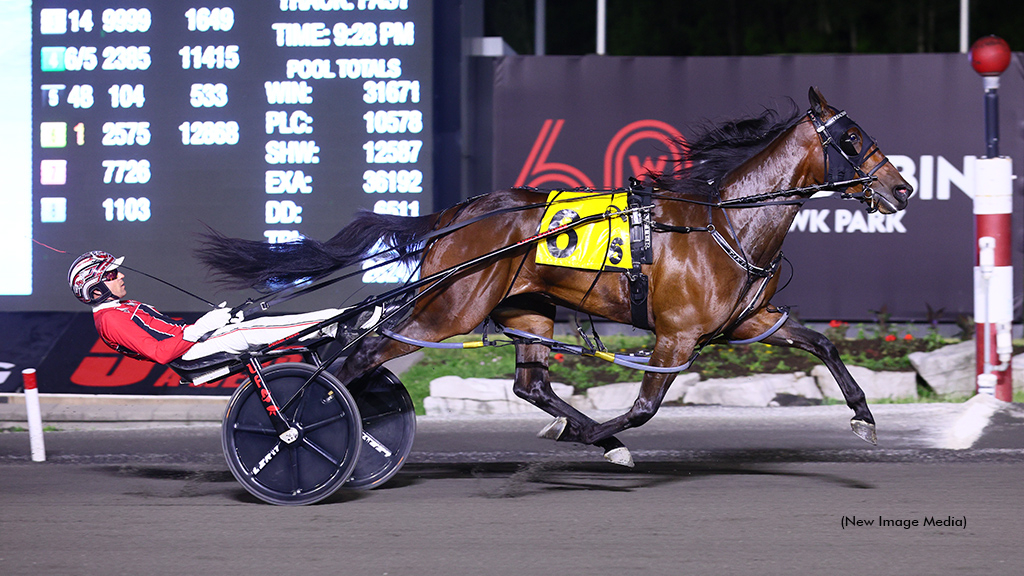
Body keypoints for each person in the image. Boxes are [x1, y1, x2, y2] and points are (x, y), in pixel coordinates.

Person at [68, 250, 341, 365]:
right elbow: (159, 353)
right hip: (190, 352)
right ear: (95, 289)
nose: (121, 276)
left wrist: (211, 323)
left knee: (251, 323)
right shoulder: (111, 320)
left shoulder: (119, 309)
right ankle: (335, 320)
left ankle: (330, 323)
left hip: (194, 343)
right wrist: (203, 327)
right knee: (252, 330)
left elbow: (170, 333)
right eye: (113, 275)